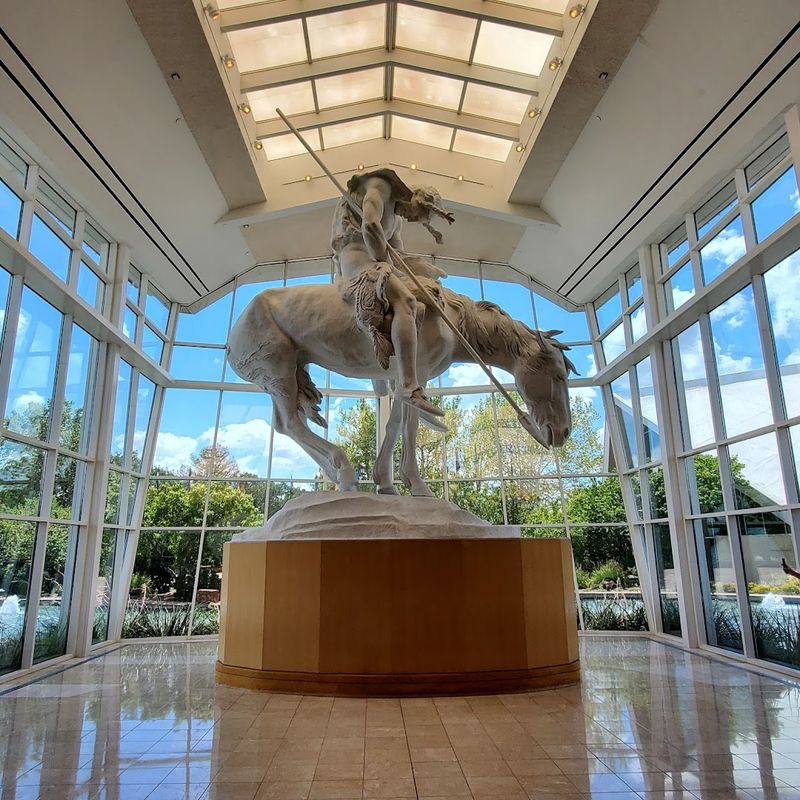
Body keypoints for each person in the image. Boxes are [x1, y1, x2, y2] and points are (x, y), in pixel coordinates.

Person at [331, 168, 454, 425]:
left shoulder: (397, 219)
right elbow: (370, 225)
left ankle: (391, 371)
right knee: (406, 301)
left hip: (376, 260)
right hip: (355, 256)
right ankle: (409, 386)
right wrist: (384, 265)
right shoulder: (379, 187)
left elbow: (398, 254)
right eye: (417, 215)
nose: (411, 219)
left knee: (419, 306)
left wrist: (423, 270)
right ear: (416, 200)